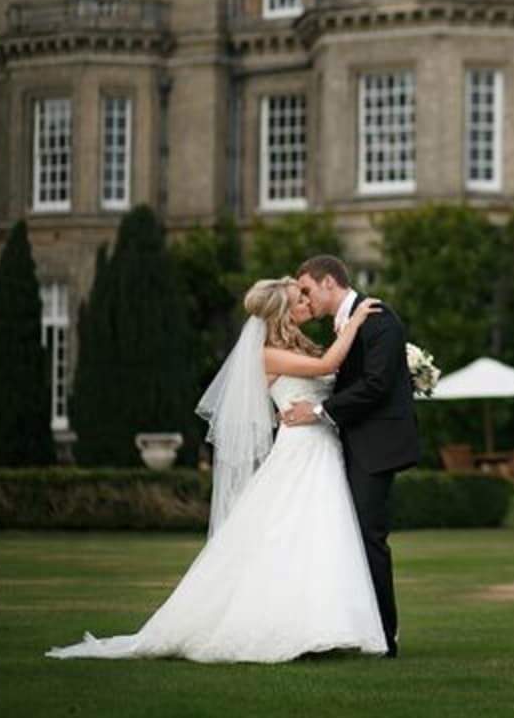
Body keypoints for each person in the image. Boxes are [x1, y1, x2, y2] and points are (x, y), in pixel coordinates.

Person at [46, 277, 387, 663]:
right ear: (282, 313)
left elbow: (327, 381)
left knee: (320, 537)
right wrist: (356, 321)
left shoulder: (297, 345)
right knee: (293, 535)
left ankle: (326, 628)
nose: (308, 304)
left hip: (321, 449)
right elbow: (328, 365)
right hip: (301, 452)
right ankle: (292, 628)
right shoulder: (268, 353)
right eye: (300, 300)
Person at [282, 254, 420, 659]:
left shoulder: (377, 317)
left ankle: (384, 636)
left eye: (307, 289)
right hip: (349, 444)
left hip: (376, 446)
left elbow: (376, 385)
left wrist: (319, 412)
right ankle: (353, 627)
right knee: (347, 538)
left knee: (369, 537)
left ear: (329, 283)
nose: (304, 298)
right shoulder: (344, 324)